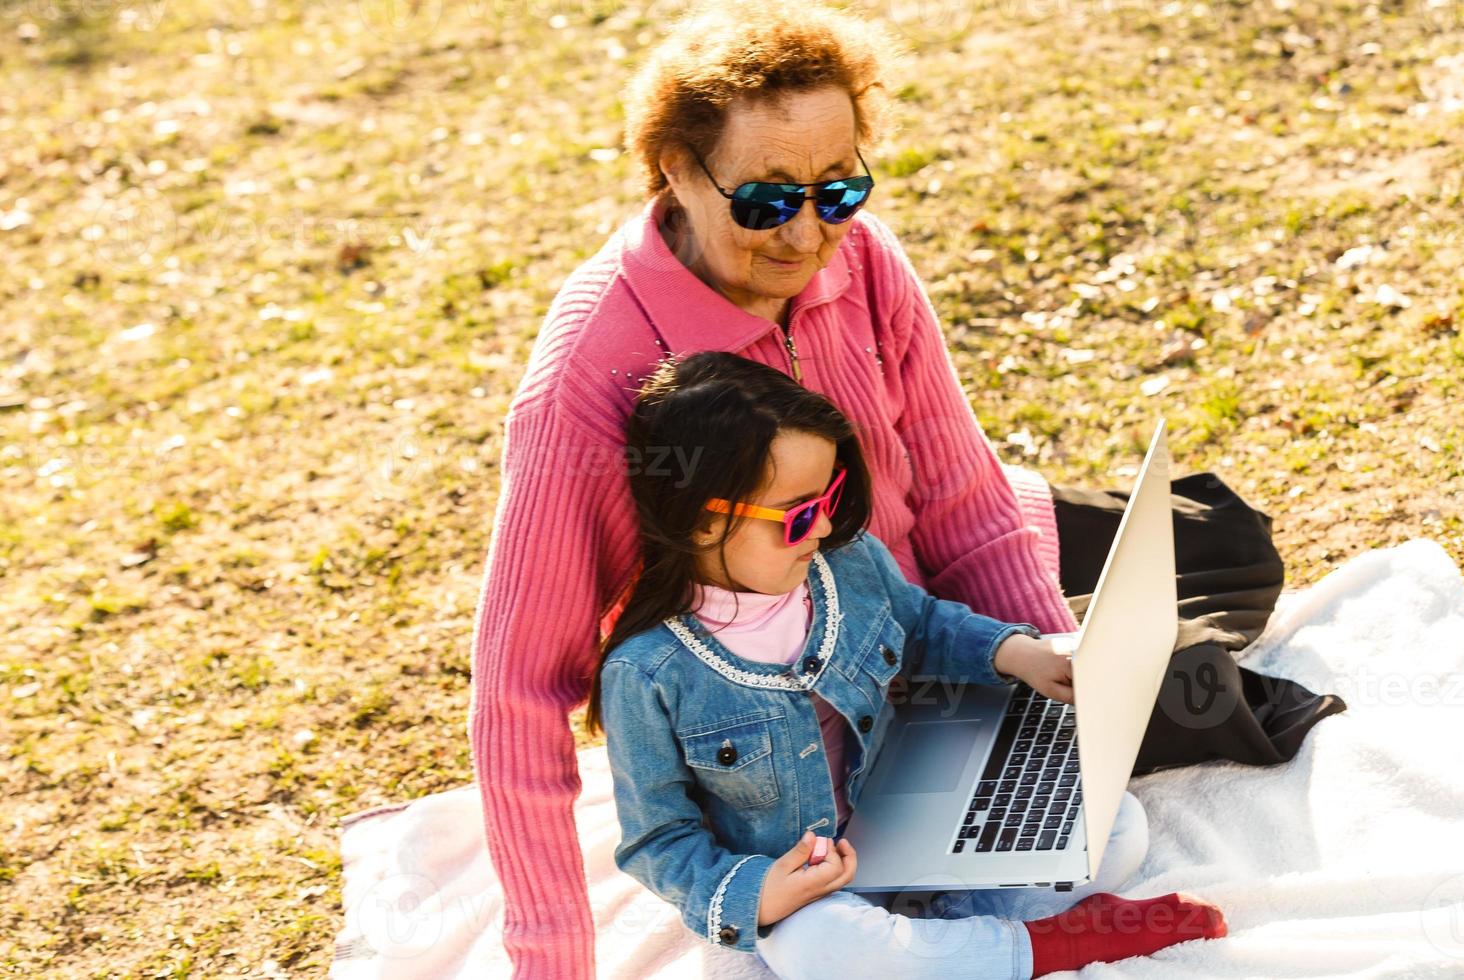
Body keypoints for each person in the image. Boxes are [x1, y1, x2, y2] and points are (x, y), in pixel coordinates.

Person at [468, 2, 1338, 975]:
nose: (805, 237)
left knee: (1228, 541)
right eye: (763, 202)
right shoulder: (589, 381)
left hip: (915, 595)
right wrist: (551, 959)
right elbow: (519, 689)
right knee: (1202, 686)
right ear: (674, 169)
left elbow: (966, 502)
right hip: (813, 703)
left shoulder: (868, 260)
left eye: (834, 191)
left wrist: (1051, 696)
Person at [591, 351, 1229, 977]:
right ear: (705, 524)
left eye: (832, 498)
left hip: (915, 811)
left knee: (1117, 826)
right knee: (820, 954)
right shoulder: (648, 673)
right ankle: (1043, 942)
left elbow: (920, 624)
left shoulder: (844, 563)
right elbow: (659, 839)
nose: (822, 530)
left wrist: (1017, 654)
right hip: (812, 886)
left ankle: (960, 939)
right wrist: (757, 894)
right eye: (799, 514)